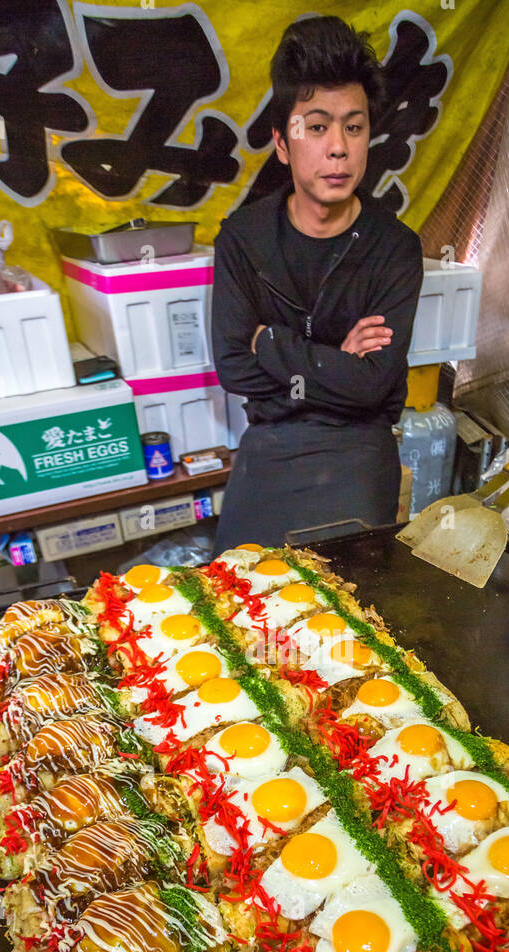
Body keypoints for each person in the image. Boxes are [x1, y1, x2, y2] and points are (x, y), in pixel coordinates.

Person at [211, 15, 423, 554]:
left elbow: (374, 385)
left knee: (345, 606)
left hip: (359, 451)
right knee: (231, 599)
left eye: (354, 127)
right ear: (283, 143)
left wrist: (274, 343)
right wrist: (338, 362)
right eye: (318, 126)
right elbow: (235, 367)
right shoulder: (243, 237)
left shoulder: (394, 247)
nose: (338, 148)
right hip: (269, 445)